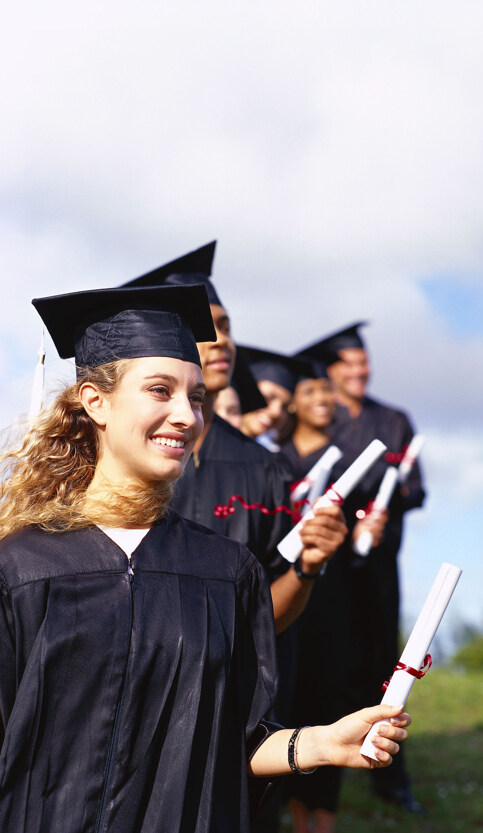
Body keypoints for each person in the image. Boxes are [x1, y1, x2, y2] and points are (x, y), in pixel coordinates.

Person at [0, 283, 411, 833]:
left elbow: (237, 741)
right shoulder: (23, 568)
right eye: (160, 391)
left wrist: (319, 742)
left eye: (195, 397)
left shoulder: (225, 570)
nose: (185, 416)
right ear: (95, 401)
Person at [122, 244, 348, 635]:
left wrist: (307, 568)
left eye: (225, 327)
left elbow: (268, 607)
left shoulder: (265, 468)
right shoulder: (115, 458)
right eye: (204, 330)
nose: (222, 341)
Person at [296, 323, 426, 813]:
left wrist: (389, 507)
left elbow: (417, 487)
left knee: (384, 665)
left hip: (379, 565)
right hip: (332, 568)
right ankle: (321, 770)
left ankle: (392, 778)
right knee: (329, 664)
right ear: (329, 374)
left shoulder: (394, 420)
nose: (359, 371)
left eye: (363, 362)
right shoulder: (324, 421)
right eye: (347, 364)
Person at [280, 360, 389, 833]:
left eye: (328, 392)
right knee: (286, 696)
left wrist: (368, 529)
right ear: (292, 402)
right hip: (282, 594)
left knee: (328, 698)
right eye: (312, 391)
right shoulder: (272, 459)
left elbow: (363, 527)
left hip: (334, 596)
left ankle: (321, 816)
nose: (324, 399)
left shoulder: (350, 463)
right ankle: (287, 809)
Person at [236, 346, 308, 449]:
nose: (276, 412)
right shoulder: (211, 443)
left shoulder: (272, 458)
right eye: (268, 398)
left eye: (285, 406)